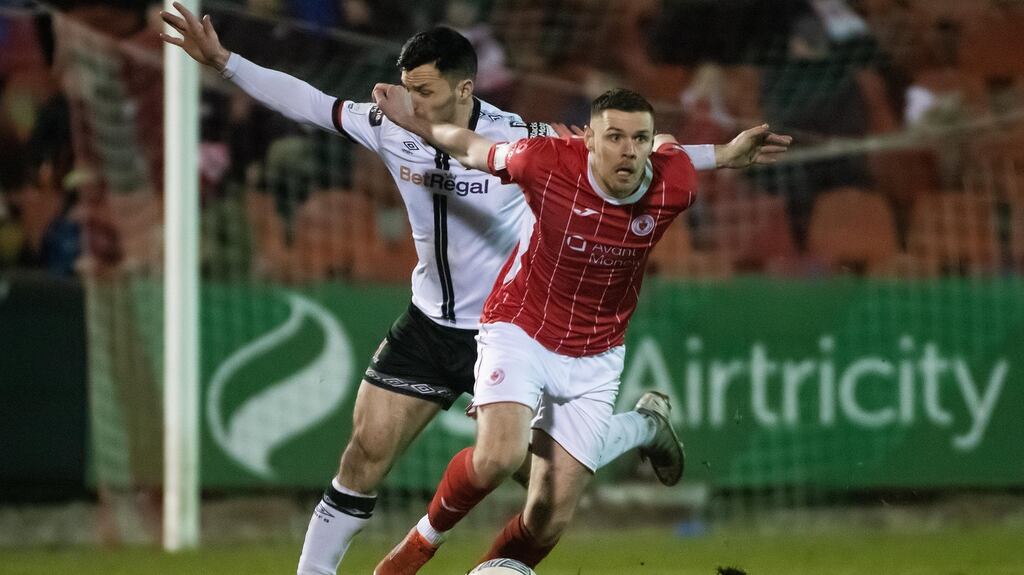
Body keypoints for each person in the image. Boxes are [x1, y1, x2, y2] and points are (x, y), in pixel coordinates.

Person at [159, 4, 787, 573]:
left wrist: (723, 154)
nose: (410, 102)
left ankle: (643, 428)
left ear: (464, 89)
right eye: (407, 90)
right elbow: (309, 101)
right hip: (428, 323)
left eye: (424, 92)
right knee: (363, 454)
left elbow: (637, 154)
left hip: (510, 329)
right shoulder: (389, 123)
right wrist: (226, 62)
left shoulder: (520, 139)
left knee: (550, 496)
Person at [369, 84, 791, 574]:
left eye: (639, 139)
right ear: (589, 139)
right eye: (613, 137)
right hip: (520, 327)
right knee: (499, 456)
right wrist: (411, 120)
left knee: (547, 517)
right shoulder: (543, 162)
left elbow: (677, 153)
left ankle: (644, 426)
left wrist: (725, 154)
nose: (627, 150)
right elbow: (468, 146)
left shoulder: (675, 184)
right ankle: (415, 549)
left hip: (596, 354)